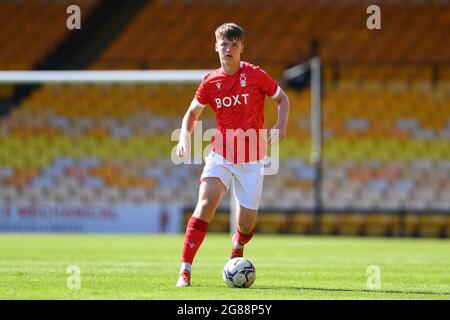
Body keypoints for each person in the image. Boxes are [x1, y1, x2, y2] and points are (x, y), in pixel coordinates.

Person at [175, 23, 290, 287]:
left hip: (252, 159)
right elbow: (191, 114)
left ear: (241, 48)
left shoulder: (255, 75)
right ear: (216, 47)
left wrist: (280, 125)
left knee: (247, 226)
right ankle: (185, 270)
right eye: (224, 44)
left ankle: (237, 246)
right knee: (205, 205)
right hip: (221, 155)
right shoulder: (210, 82)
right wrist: (184, 138)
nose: (228, 49)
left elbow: (283, 99)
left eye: (234, 44)